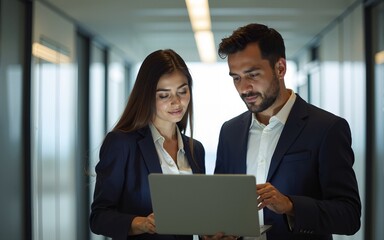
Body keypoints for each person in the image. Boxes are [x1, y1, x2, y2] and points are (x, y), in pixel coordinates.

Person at [214, 23, 361, 240]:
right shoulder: (230, 131)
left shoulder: (327, 128)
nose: (244, 88)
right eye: (236, 78)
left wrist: (291, 205)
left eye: (252, 75)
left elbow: (349, 216)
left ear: (280, 68)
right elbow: (222, 205)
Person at [89, 49, 205, 240]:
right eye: (164, 95)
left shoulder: (195, 149)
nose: (177, 102)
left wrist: (208, 233)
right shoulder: (122, 143)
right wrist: (142, 223)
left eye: (182, 91)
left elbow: (195, 217)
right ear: (147, 96)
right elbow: (99, 217)